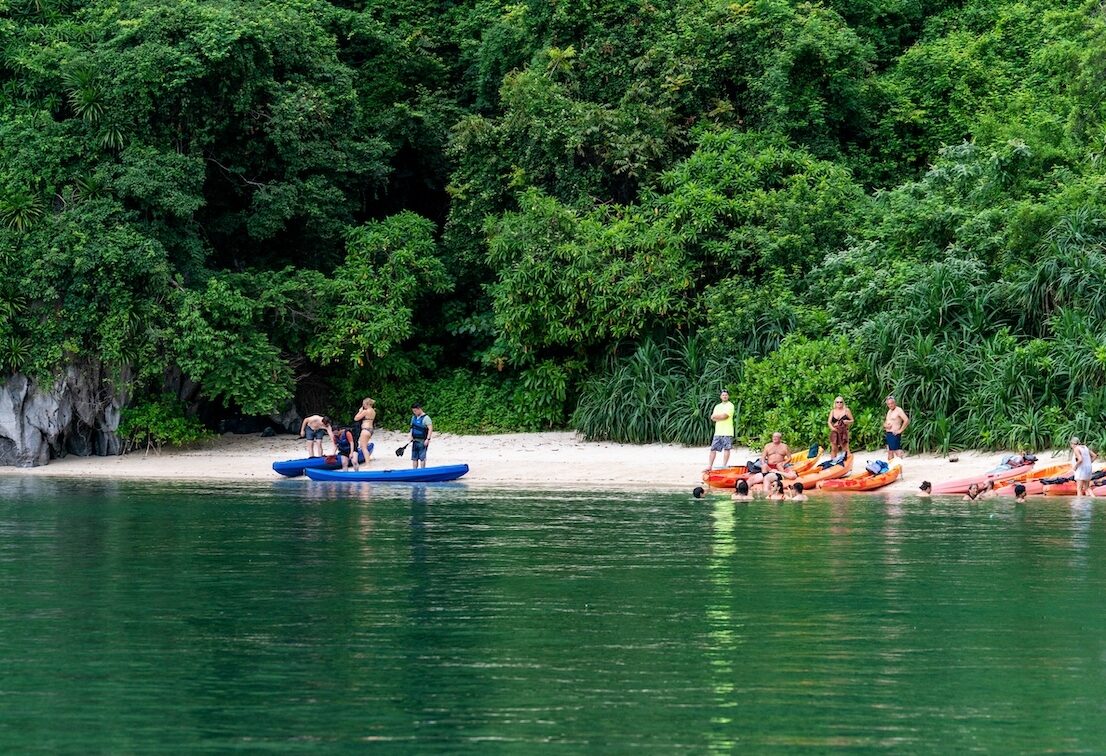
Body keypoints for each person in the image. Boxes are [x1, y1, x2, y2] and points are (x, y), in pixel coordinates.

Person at [705, 390, 736, 472]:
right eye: (723, 395)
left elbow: (725, 416)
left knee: (727, 449)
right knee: (713, 449)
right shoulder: (717, 406)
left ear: (728, 396)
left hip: (727, 431)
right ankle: (709, 465)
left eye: (726, 395)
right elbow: (712, 418)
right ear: (720, 397)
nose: (724, 396)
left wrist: (717, 417)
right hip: (718, 432)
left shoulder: (730, 405)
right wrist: (718, 417)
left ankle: (724, 465)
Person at [884, 395, 910, 461]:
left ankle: (899, 465)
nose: (890, 405)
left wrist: (900, 430)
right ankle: (891, 466)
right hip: (889, 434)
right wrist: (885, 425)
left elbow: (906, 420)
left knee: (897, 451)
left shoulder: (898, 410)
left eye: (892, 403)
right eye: (889, 404)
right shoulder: (889, 411)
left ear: (895, 403)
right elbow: (886, 422)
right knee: (890, 452)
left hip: (894, 433)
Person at [410, 404, 433, 469]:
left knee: (422, 458)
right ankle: (414, 471)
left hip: (422, 440)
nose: (414, 412)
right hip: (415, 440)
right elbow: (412, 427)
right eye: (413, 411)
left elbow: (430, 429)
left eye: (415, 411)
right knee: (414, 457)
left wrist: (428, 439)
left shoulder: (426, 418)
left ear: (419, 409)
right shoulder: (413, 417)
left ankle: (422, 470)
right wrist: (411, 436)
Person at [354, 397, 376, 464]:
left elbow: (356, 418)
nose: (363, 406)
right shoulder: (373, 411)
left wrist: (360, 411)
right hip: (370, 429)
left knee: (363, 447)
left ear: (367, 404)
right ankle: (368, 458)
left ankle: (367, 463)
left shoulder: (365, 411)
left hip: (365, 429)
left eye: (364, 404)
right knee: (364, 445)